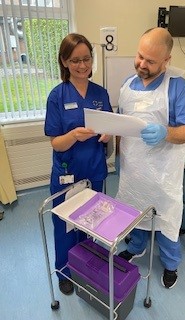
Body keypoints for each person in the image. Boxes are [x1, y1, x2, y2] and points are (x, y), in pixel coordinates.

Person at [117, 27, 185, 289]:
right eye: (140, 56)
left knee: (165, 218)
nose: (142, 64)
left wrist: (166, 133)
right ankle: (137, 247)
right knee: (134, 211)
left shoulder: (179, 88)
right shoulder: (126, 85)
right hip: (133, 169)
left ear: (167, 61)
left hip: (163, 173)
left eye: (151, 61)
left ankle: (171, 263)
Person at [44, 33, 112, 295]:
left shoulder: (100, 93)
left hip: (94, 171)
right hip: (67, 173)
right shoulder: (57, 96)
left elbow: (109, 128)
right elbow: (55, 143)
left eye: (86, 58)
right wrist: (73, 136)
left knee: (91, 223)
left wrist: (108, 134)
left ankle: (85, 265)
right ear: (64, 61)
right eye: (75, 60)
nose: (82, 65)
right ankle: (64, 270)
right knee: (65, 225)